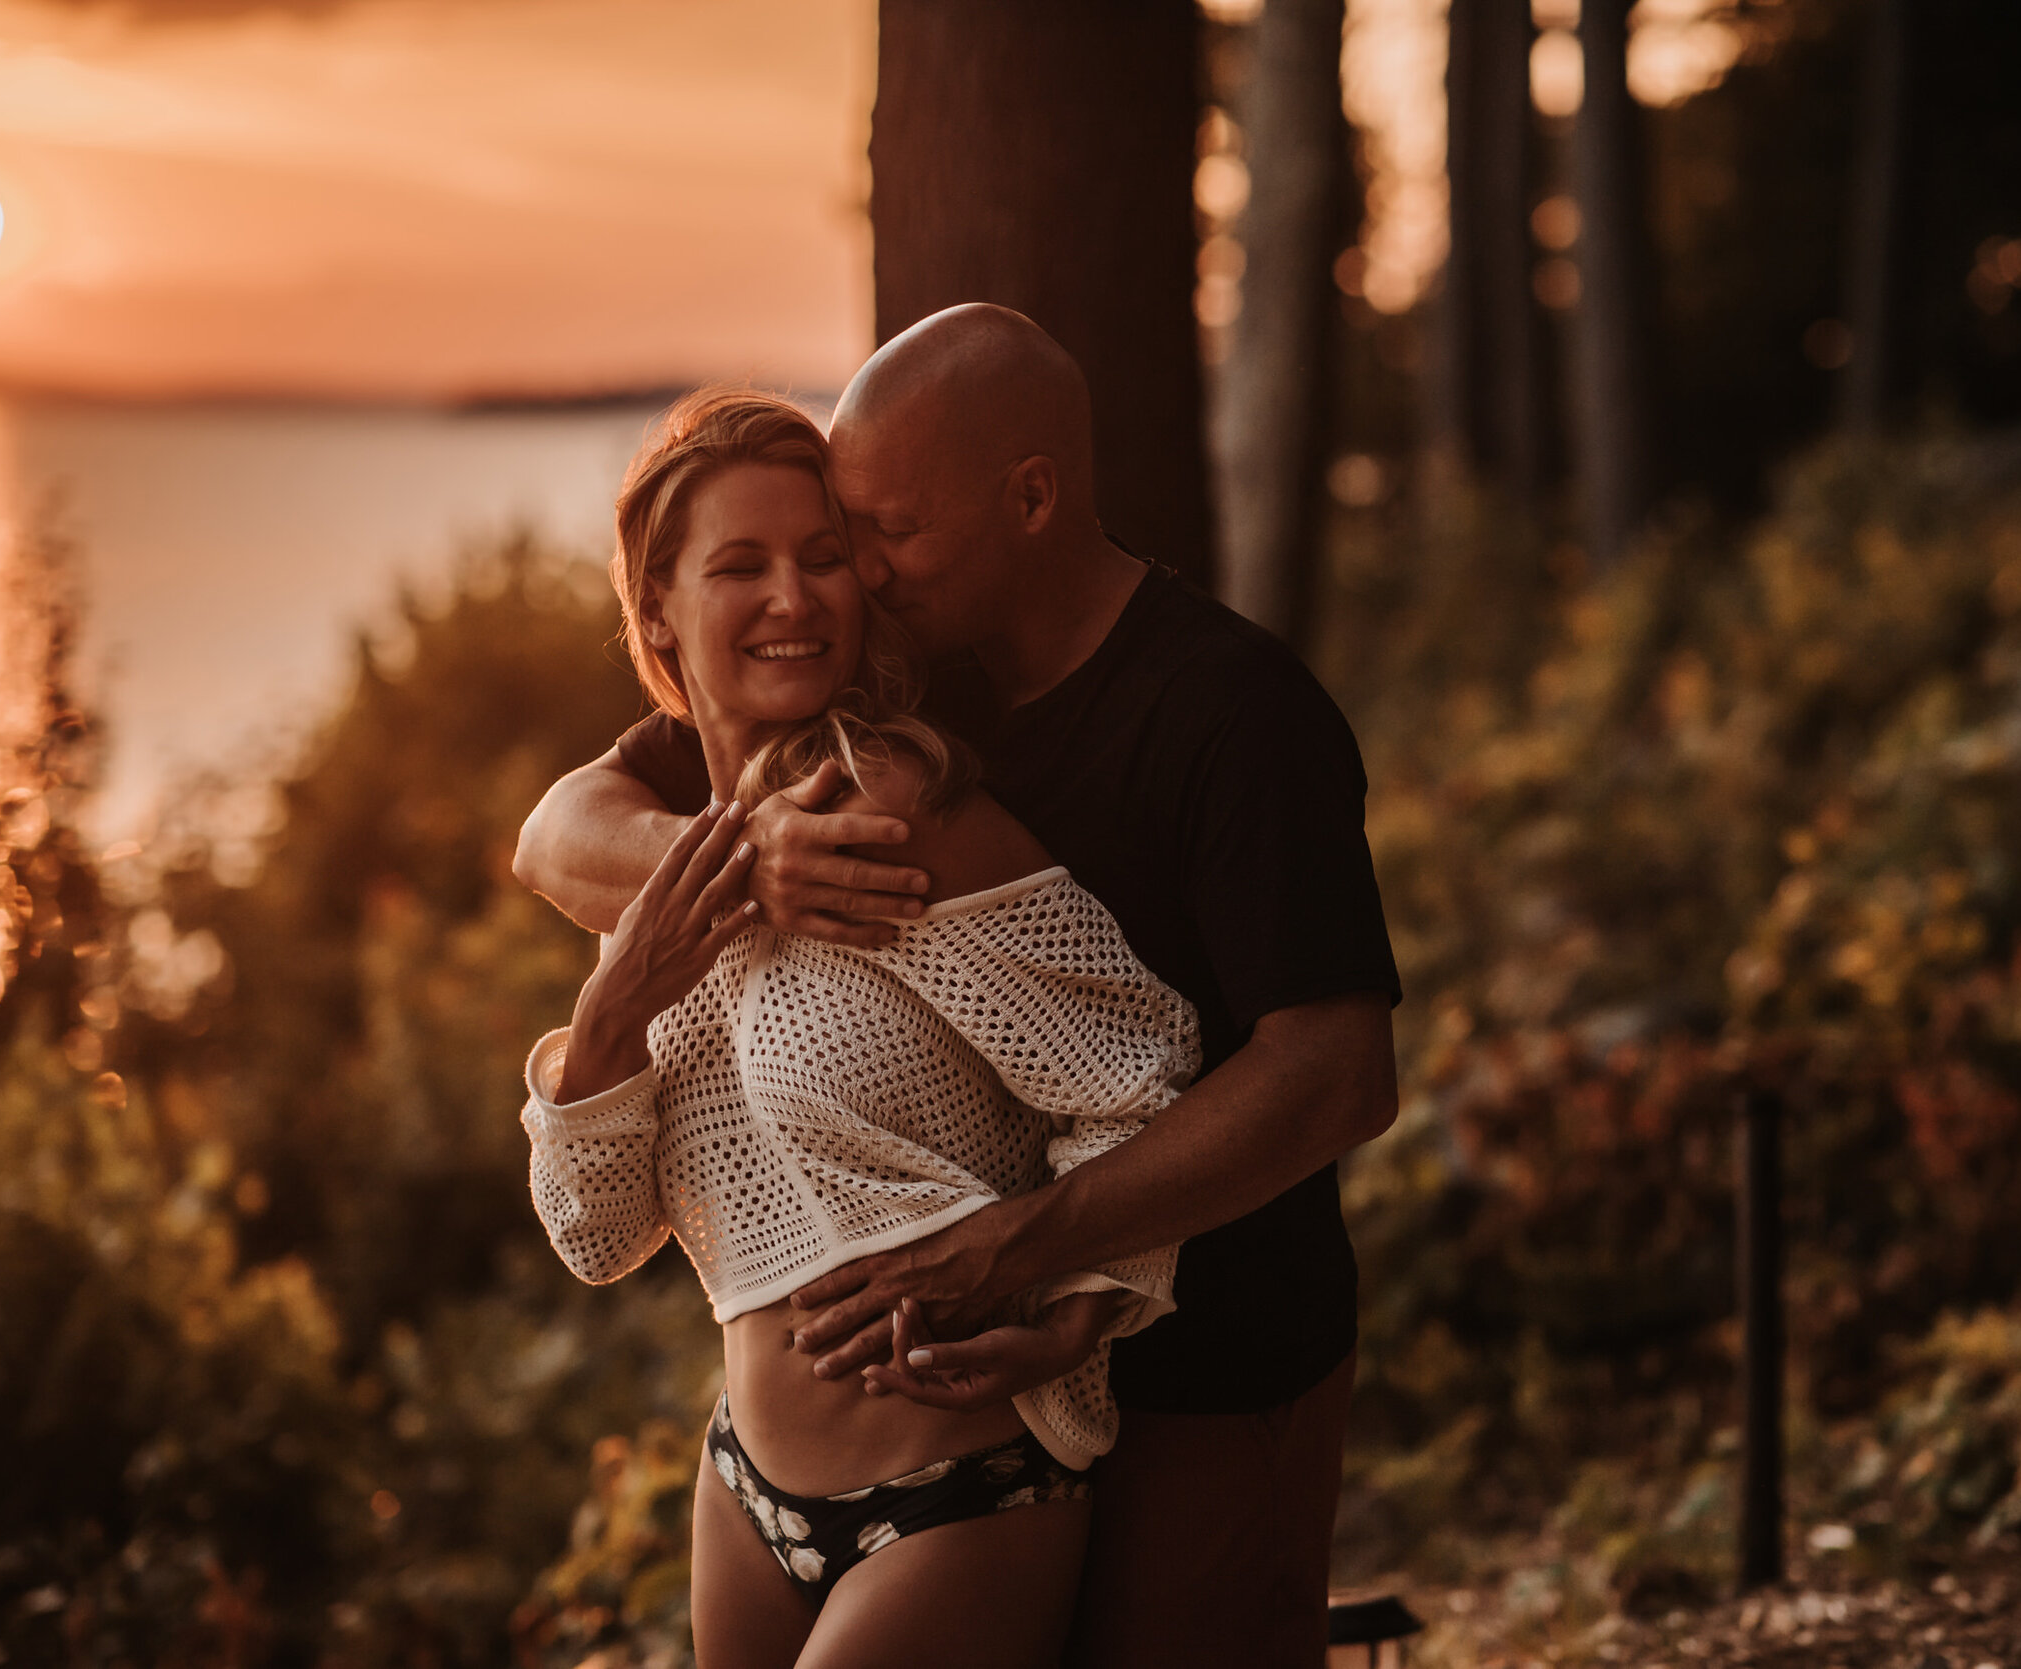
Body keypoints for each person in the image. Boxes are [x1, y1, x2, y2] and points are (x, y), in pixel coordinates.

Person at [515, 304, 1402, 1669]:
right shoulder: (914, 680)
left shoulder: (1223, 716)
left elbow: (1326, 1070)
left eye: (871, 536)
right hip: (790, 1468)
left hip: (1215, 1357)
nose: (839, 580)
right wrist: (700, 904)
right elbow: (561, 826)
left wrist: (1053, 1259)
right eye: (785, 553)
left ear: (1030, 500)